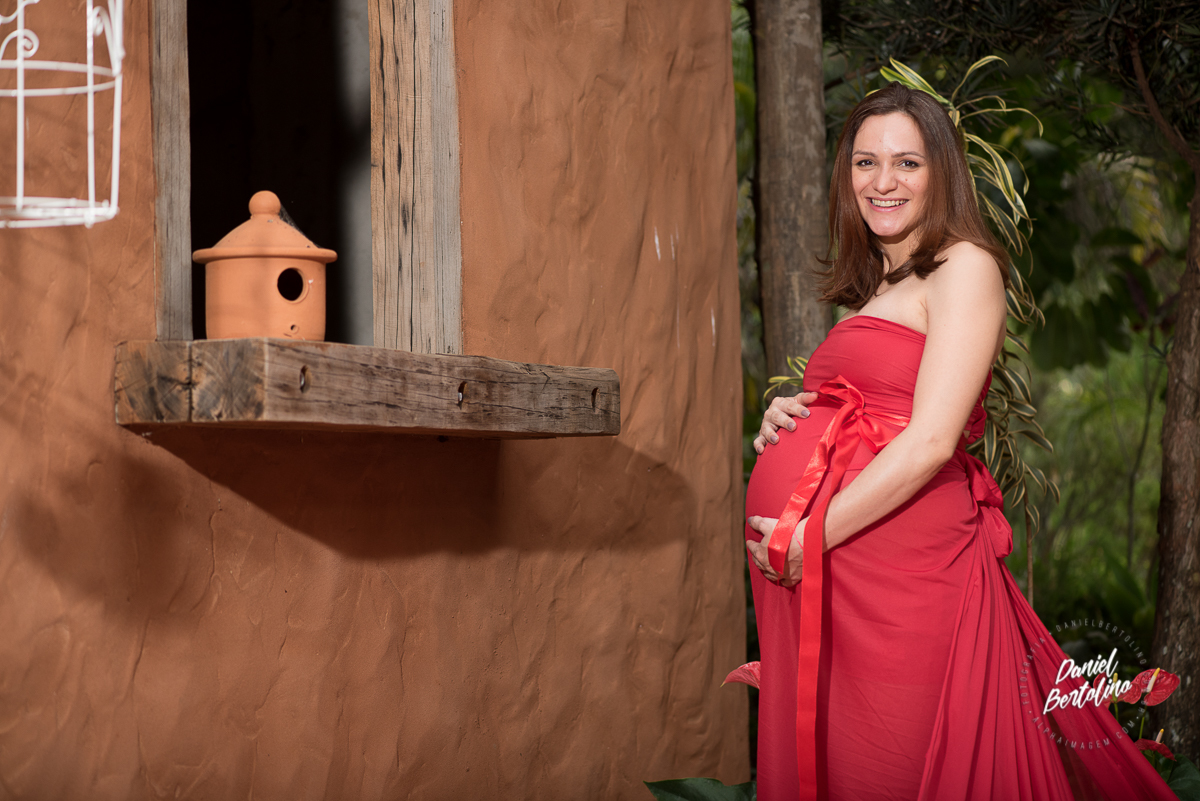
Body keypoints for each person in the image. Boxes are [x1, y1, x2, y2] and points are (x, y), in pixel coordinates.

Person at [742, 83, 1178, 801]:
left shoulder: (965, 265)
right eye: (865, 162)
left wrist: (809, 536)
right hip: (837, 570)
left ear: (942, 172)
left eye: (907, 163)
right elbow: (877, 403)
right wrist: (791, 413)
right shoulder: (878, 284)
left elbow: (933, 440)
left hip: (899, 578)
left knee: (900, 767)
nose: (882, 182)